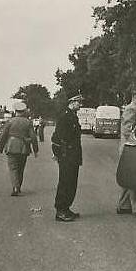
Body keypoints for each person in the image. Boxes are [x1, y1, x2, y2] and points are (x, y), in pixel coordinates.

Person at [51, 94, 84, 222]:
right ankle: (60, 210)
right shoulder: (65, 116)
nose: (80, 105)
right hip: (67, 155)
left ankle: (66, 208)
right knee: (65, 182)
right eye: (78, 102)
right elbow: (58, 137)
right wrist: (59, 153)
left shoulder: (72, 116)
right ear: (72, 102)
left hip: (72, 155)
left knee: (71, 182)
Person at [116, 91, 136, 216]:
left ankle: (124, 205)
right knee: (135, 178)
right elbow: (126, 130)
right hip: (131, 148)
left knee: (128, 178)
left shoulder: (135, 109)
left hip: (130, 148)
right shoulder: (132, 109)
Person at [0, 101, 38, 196]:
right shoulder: (28, 122)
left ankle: (15, 187)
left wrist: (1, 146)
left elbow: (4, 135)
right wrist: (35, 150)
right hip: (24, 148)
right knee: (21, 168)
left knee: (13, 168)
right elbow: (33, 137)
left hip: (11, 147)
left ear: (15, 111)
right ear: (24, 111)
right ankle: (18, 186)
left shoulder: (10, 121)